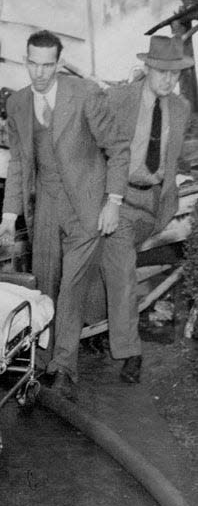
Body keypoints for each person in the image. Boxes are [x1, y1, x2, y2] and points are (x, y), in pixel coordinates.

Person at [0, 30, 130, 401]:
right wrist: (9, 216)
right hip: (46, 205)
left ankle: (63, 366)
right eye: (32, 63)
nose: (39, 73)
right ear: (25, 60)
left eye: (47, 64)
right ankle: (39, 361)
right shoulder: (18, 104)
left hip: (88, 205)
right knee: (44, 283)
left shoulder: (84, 94)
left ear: (58, 62)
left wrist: (113, 201)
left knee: (70, 286)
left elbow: (118, 147)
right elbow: (19, 162)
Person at [96, 35, 194, 384]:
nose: (169, 80)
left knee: (115, 266)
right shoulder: (120, 98)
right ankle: (129, 351)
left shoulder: (180, 108)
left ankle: (98, 328)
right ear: (148, 68)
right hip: (120, 201)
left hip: (156, 204)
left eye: (176, 74)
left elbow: (182, 154)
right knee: (121, 269)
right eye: (163, 72)